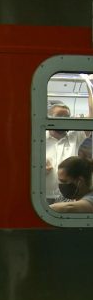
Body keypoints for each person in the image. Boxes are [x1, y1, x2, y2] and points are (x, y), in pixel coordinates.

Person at [46, 74, 93, 203]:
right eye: (59, 117)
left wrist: (87, 83)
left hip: (69, 194)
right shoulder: (39, 139)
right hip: (42, 194)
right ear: (49, 118)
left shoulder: (74, 136)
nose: (64, 121)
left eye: (66, 117)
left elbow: (91, 116)